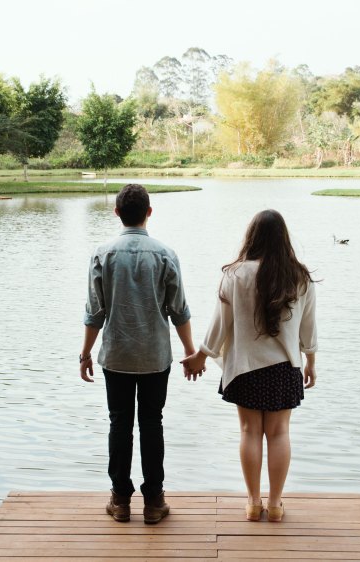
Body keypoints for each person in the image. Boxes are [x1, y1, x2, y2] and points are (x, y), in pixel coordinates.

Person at [181, 209, 317, 522]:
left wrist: (202, 355)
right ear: (284, 239)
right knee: (280, 433)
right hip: (286, 367)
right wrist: (310, 360)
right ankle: (276, 503)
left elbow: (220, 323)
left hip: (245, 368)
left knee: (249, 432)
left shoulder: (235, 274)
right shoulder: (300, 276)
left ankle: (254, 503)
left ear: (251, 237)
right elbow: (309, 326)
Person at [80, 183, 198, 524]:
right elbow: (179, 310)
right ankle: (154, 501)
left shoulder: (103, 254)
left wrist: (85, 353)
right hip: (154, 356)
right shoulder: (165, 254)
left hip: (115, 355)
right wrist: (190, 351)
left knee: (119, 423)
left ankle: (119, 500)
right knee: (152, 423)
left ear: (117, 213)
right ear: (149, 212)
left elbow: (94, 312)